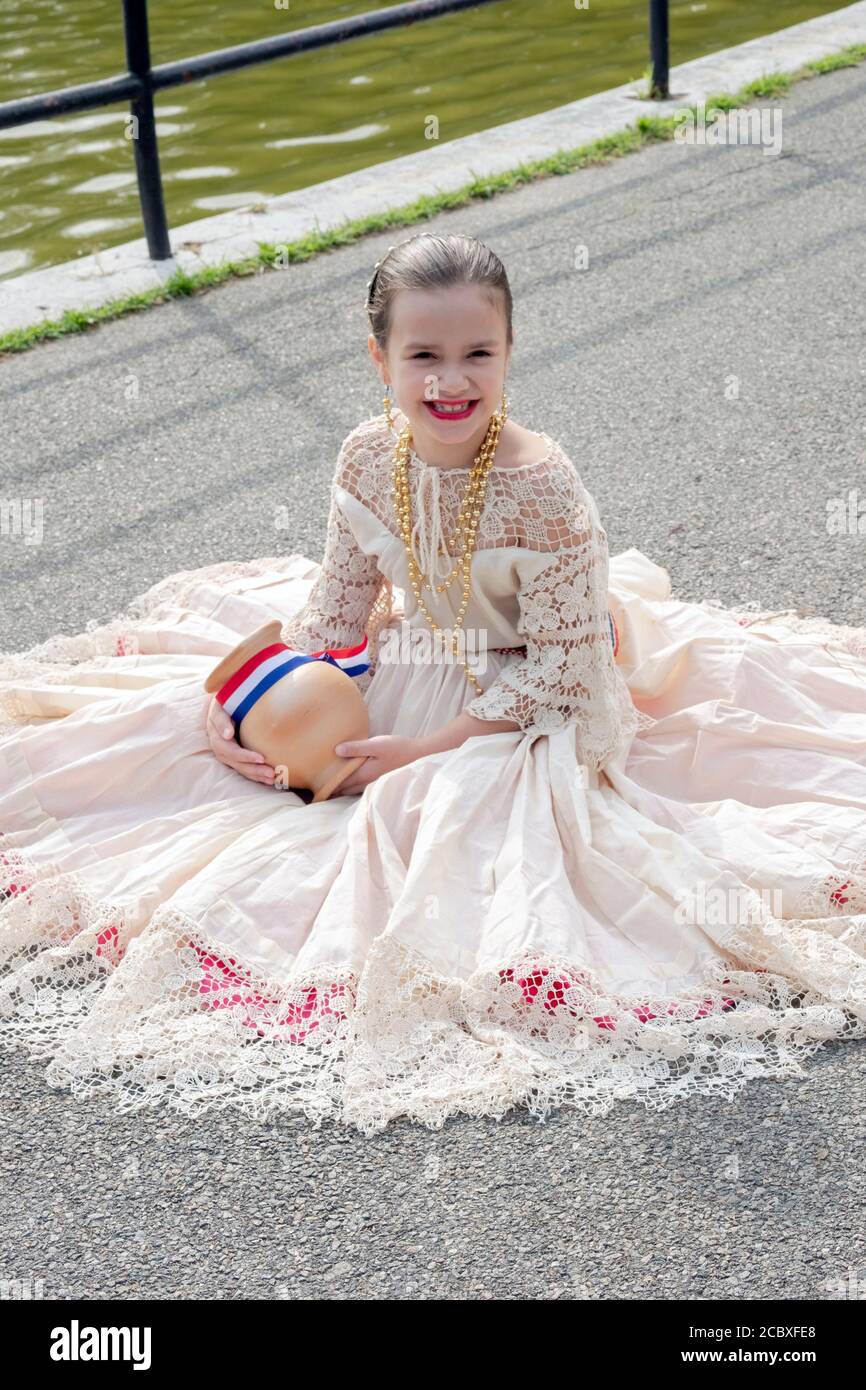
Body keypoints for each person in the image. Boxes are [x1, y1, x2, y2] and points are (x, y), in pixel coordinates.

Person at [1, 232, 864, 1138]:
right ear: (381, 358)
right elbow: (335, 615)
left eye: (476, 355)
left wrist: (421, 751)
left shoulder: (543, 485)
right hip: (421, 655)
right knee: (195, 757)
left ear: (508, 351)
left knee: (442, 813)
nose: (450, 383)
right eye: (423, 356)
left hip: (540, 679)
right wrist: (241, 702)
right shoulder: (368, 456)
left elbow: (566, 674)